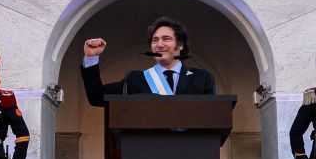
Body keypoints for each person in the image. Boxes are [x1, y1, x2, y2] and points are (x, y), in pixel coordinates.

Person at [80, 17, 216, 107]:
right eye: (155, 40)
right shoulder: (135, 80)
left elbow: (216, 116)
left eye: (166, 39)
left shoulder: (202, 78)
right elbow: (97, 97)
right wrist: (91, 58)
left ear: (180, 45)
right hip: (145, 150)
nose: (159, 44)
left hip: (193, 149)